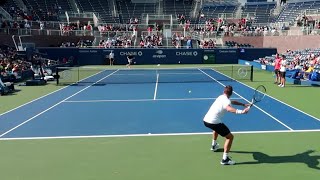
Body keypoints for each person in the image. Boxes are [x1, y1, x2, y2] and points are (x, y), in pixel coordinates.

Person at [203, 85, 250, 165]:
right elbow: (229, 108)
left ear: (223, 91)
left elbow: (231, 102)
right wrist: (241, 111)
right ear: (231, 93)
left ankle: (214, 145)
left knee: (216, 128)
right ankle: (225, 159)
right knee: (230, 137)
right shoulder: (226, 101)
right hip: (214, 121)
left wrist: (243, 104)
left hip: (206, 120)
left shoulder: (221, 97)